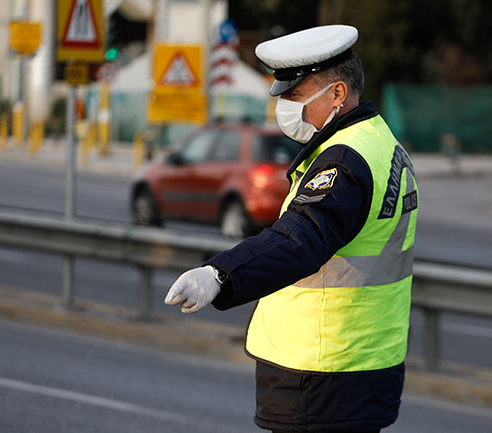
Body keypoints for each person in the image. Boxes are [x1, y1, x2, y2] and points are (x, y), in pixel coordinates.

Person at [165, 24, 418, 433]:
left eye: (296, 96)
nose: (285, 107)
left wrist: (220, 275)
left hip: (322, 373)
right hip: (361, 365)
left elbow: (298, 240)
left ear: (337, 93)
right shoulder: (378, 141)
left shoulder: (345, 160)